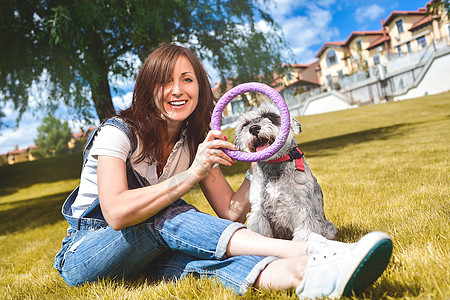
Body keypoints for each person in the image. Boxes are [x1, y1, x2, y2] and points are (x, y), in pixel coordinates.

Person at [54, 44, 392, 299]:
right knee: (167, 214)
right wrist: (192, 173)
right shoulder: (117, 132)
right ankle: (312, 250)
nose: (177, 90)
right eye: (165, 81)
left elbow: (230, 210)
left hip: (143, 255)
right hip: (86, 254)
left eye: (187, 79)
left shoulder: (194, 142)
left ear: (200, 87)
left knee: (202, 263)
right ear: (147, 89)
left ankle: (308, 276)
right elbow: (115, 212)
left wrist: (263, 159)